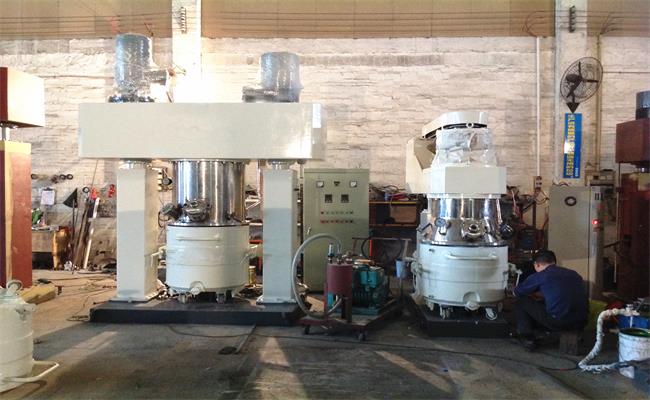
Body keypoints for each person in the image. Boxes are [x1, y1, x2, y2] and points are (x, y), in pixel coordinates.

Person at [514, 250, 589, 350]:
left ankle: (527, 338)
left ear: (536, 264)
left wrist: (531, 294)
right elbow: (564, 293)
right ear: (554, 262)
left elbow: (518, 291)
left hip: (559, 322)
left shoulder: (541, 275)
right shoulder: (574, 274)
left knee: (521, 300)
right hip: (582, 321)